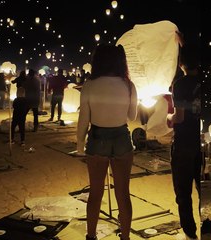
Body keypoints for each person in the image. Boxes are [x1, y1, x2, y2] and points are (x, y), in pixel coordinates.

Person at [76, 44, 137, 240]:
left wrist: (79, 146)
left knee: (95, 193)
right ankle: (125, 237)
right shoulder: (128, 85)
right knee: (123, 194)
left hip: (97, 138)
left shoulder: (90, 85)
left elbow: (83, 120)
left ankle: (91, 236)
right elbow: (132, 115)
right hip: (121, 138)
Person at [167, 43, 201, 240]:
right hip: (199, 143)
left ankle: (190, 232)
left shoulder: (180, 85)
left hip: (184, 143)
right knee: (201, 187)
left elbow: (178, 117)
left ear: (181, 64)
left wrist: (168, 118)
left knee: (183, 191)